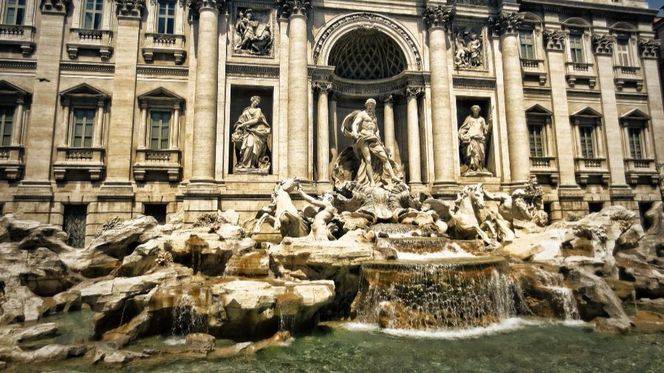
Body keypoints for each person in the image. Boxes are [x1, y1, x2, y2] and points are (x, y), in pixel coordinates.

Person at [347, 98, 400, 186]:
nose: (370, 107)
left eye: (372, 105)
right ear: (366, 105)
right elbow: (355, 124)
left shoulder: (374, 117)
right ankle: (371, 181)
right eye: (369, 105)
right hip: (364, 137)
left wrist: (379, 140)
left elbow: (376, 130)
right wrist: (355, 133)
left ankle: (393, 176)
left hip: (374, 138)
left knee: (385, 157)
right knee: (368, 160)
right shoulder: (362, 114)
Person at [232, 96, 271, 171]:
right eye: (256, 101)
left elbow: (256, 120)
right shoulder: (246, 111)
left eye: (258, 102)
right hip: (246, 132)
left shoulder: (258, 110)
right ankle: (244, 164)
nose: (257, 103)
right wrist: (239, 126)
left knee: (251, 146)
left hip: (255, 132)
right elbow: (240, 120)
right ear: (252, 101)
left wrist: (244, 124)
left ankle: (250, 164)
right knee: (248, 146)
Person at [458, 105, 490, 175]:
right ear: (472, 111)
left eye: (477, 110)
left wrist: (490, 123)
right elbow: (463, 128)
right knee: (472, 153)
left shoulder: (482, 119)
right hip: (472, 139)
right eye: (474, 110)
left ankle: (480, 167)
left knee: (481, 153)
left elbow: (485, 130)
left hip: (480, 139)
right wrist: (462, 135)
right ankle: (472, 168)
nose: (475, 112)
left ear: (479, 111)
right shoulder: (469, 119)